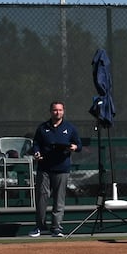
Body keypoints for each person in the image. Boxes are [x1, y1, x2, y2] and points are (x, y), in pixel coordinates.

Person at [29, 100, 80, 238]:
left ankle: (56, 227)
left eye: (60, 110)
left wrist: (74, 147)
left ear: (63, 111)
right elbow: (36, 144)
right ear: (50, 111)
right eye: (55, 110)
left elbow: (78, 144)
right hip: (44, 168)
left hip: (62, 167)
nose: (57, 112)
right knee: (41, 197)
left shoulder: (70, 128)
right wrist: (37, 153)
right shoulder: (42, 128)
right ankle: (39, 227)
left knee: (59, 199)